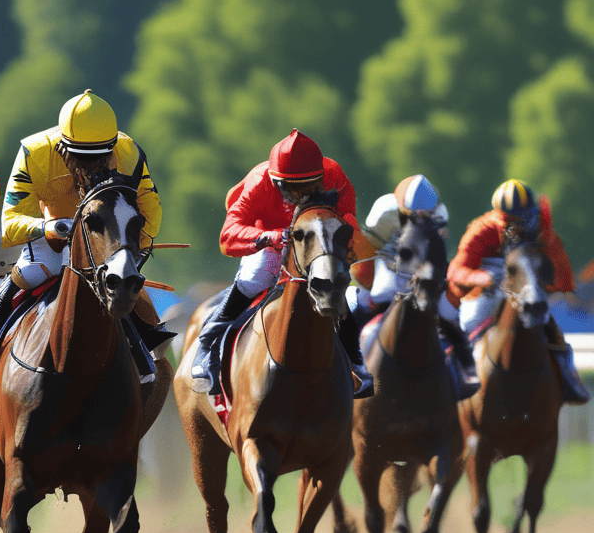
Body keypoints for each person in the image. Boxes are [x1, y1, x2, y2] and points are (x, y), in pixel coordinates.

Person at [0, 89, 169, 398]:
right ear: (62, 145)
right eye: (83, 157)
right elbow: (12, 221)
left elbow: (150, 210)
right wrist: (48, 226)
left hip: (105, 242)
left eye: (101, 156)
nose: (93, 165)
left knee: (123, 283)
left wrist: (129, 251)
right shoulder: (34, 152)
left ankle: (143, 349)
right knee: (32, 272)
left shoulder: (128, 153)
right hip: (54, 239)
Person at [189, 129, 372, 398]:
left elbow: (348, 222)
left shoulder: (334, 175)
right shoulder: (258, 180)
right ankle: (207, 342)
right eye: (289, 188)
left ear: (320, 179)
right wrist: (270, 237)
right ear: (275, 181)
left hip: (313, 239)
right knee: (256, 277)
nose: (296, 196)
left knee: (334, 281)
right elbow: (228, 236)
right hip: (270, 235)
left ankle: (357, 363)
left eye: (306, 188)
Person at [449, 179, 589, 404]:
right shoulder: (482, 228)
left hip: (525, 286)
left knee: (552, 328)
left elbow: (562, 273)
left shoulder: (542, 230)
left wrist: (547, 285)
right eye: (513, 219)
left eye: (525, 216)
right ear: (499, 214)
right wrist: (482, 278)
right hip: (490, 288)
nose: (522, 224)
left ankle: (569, 376)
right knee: (467, 322)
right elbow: (456, 270)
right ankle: (455, 379)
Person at [348, 174, 478, 389]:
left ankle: (465, 374)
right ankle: (346, 366)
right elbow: (366, 249)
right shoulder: (384, 211)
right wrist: (367, 279)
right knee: (358, 303)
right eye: (411, 215)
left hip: (424, 277)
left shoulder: (439, 217)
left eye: (424, 215)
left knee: (454, 316)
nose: (418, 220)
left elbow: (438, 255)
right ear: (400, 206)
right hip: (388, 267)